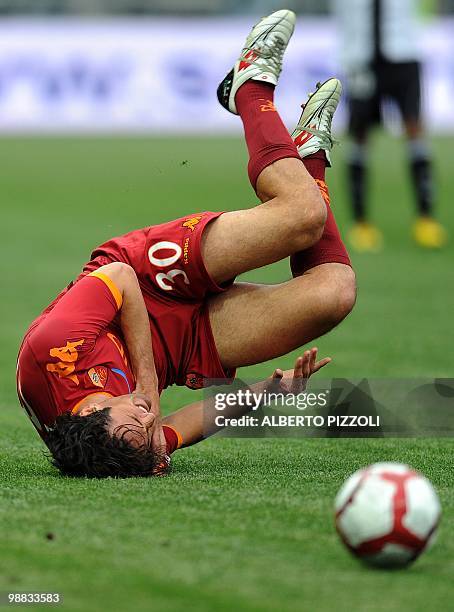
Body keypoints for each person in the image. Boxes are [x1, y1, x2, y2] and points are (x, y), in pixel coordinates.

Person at [16, 10, 356, 478]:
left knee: (303, 218)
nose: (148, 418)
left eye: (137, 422)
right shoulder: (119, 445)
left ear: (90, 417)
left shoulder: (52, 351)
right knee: (334, 293)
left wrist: (149, 383)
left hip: (147, 279)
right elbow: (179, 427)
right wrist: (268, 393)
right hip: (180, 348)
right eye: (148, 430)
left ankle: (250, 88)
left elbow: (117, 280)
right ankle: (309, 159)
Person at [332, 0, 447, 251]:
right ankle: (361, 223)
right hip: (360, 56)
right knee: (359, 135)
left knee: (415, 130)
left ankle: (426, 219)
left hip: (403, 51)